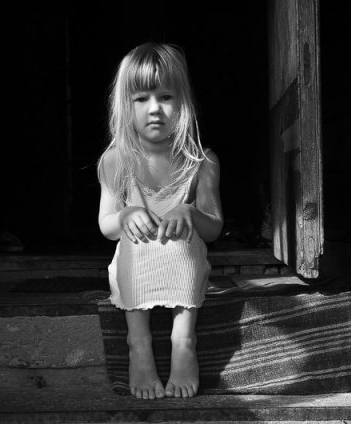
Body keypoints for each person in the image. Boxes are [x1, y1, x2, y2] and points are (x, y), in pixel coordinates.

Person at [97, 42, 223, 400]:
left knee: (183, 242)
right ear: (126, 105)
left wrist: (190, 212)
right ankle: (138, 345)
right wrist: (125, 215)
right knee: (131, 246)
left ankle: (184, 342)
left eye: (165, 96)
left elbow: (213, 228)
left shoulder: (202, 161)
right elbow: (106, 226)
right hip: (136, 261)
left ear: (183, 102)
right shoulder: (116, 160)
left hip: (182, 261)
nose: (154, 108)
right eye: (141, 99)